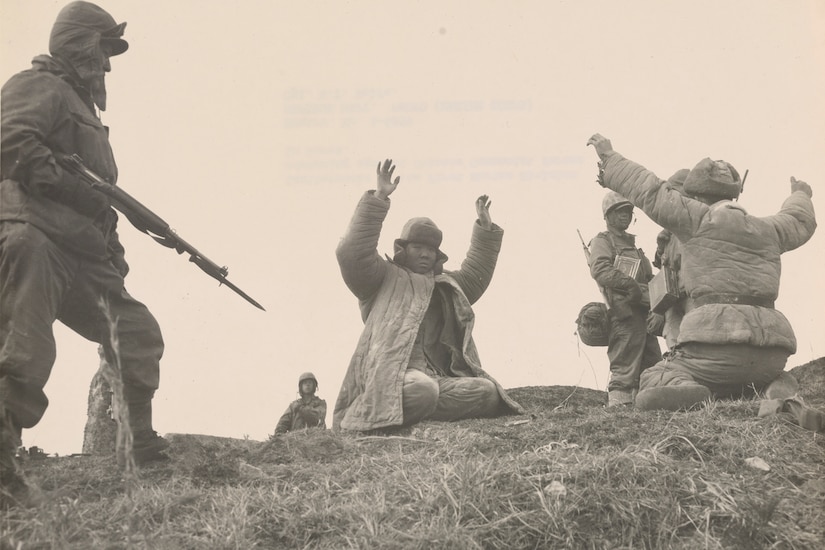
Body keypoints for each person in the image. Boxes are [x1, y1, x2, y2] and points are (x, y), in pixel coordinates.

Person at [0, 0, 168, 497]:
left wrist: (111, 253)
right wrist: (81, 194)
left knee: (136, 332)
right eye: (102, 49)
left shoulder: (83, 109)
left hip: (79, 250)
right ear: (77, 45)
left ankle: (137, 445)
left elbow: (101, 201)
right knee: (25, 349)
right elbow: (11, 143)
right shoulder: (38, 85)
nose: (109, 63)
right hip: (34, 236)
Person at [586, 133, 823, 431]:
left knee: (654, 377)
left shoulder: (695, 219)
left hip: (712, 348)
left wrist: (609, 156)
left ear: (696, 196)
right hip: (772, 351)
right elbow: (799, 218)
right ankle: (775, 387)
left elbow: (648, 190)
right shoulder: (770, 229)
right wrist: (800, 193)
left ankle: (694, 390)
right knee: (771, 375)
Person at [333, 159, 523, 431]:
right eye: (418, 247)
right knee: (423, 391)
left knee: (486, 392)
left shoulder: (444, 285)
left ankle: (408, 413)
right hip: (389, 378)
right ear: (403, 249)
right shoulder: (381, 278)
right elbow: (351, 252)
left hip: (435, 380)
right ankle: (367, 413)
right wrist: (379, 198)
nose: (425, 253)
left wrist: (485, 230)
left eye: (431, 249)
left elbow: (475, 275)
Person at [587, 191, 662, 406]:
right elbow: (600, 268)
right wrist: (630, 286)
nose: (625, 215)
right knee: (625, 362)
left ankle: (647, 408)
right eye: (619, 211)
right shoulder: (603, 240)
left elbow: (649, 279)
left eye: (628, 211)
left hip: (645, 312)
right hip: (624, 312)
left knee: (652, 363)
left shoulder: (636, 249)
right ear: (608, 216)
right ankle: (619, 409)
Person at [650, 169, 690, 350]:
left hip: (692, 295)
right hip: (673, 298)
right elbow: (664, 264)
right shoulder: (670, 226)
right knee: (673, 337)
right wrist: (660, 249)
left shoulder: (698, 223)